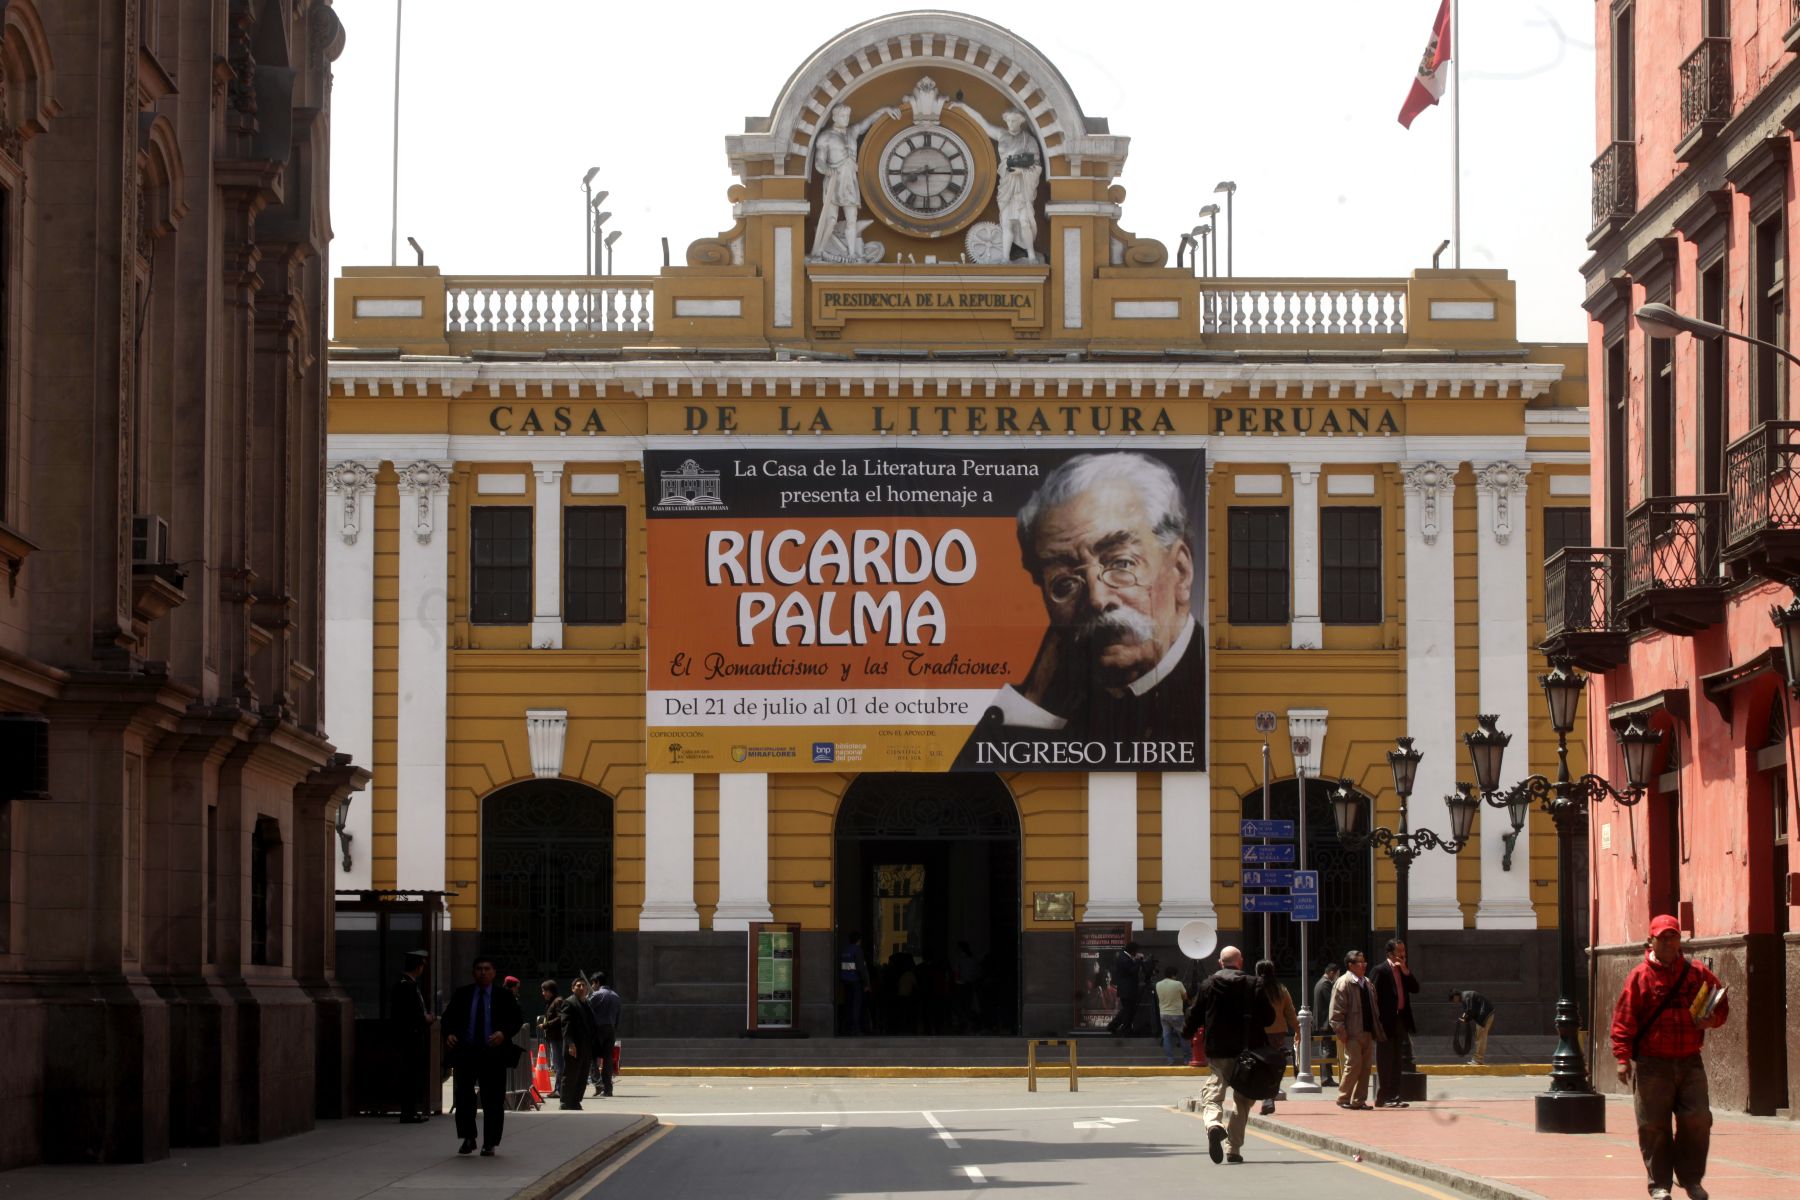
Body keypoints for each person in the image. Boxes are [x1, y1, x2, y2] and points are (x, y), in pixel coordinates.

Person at [957, 453, 1201, 768]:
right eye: (1065, 583)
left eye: (1121, 563)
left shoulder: (1215, 686)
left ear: (1180, 570)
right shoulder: (1054, 700)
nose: (1098, 600)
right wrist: (1035, 702)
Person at [1610, 914, 1730, 1200]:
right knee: (1654, 1126)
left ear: (1680, 940)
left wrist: (1711, 1021)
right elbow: (1624, 1019)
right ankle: (1660, 1184)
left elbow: (1722, 1004)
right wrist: (1622, 1057)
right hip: (1652, 1064)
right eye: (1663, 937)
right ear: (1651, 940)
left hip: (1690, 1061)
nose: (1669, 941)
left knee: (1698, 1119)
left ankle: (1691, 1180)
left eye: (1673, 936)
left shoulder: (1697, 972)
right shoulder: (1639, 977)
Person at [1181, 946, 1275, 1165]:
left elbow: (1194, 1014)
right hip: (1248, 1050)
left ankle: (1214, 1124)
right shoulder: (1254, 984)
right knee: (1243, 1100)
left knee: (1214, 1091)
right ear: (1240, 962)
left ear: (1220, 963)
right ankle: (1233, 1148)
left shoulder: (1209, 984)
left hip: (1218, 1049)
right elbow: (1269, 1018)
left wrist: (1186, 1033)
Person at [440, 956, 523, 1156]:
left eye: (487, 969)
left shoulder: (504, 996)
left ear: (494, 973)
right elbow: (448, 1019)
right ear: (473, 972)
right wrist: (449, 1033)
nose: (483, 972)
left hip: (493, 1053)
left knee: (493, 1099)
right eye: (479, 969)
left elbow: (516, 1020)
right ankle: (468, 1138)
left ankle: (490, 1142)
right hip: (467, 1051)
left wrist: (503, 1033)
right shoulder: (463, 994)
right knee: (463, 1097)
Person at [948, 101, 1042, 263]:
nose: (1011, 124)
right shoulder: (1001, 135)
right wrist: (963, 106)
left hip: (1021, 185)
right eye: (1009, 121)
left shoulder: (1029, 140)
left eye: (1015, 121)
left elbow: (1036, 165)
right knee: (1006, 222)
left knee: (1024, 221)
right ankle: (1005, 258)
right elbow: (983, 123)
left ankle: (1032, 255)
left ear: (1021, 121)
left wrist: (1022, 171)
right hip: (1006, 184)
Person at [810, 103, 901, 260]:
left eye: (847, 116)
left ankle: (852, 254)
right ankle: (819, 251)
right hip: (834, 180)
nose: (846, 119)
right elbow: (819, 161)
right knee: (831, 220)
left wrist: (884, 109)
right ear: (834, 117)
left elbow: (868, 121)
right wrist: (826, 169)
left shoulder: (852, 132)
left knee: (852, 219)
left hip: (850, 181)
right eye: (842, 116)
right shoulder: (826, 137)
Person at [1329, 949, 1382, 1110]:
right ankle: (1343, 1098)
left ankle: (1360, 1100)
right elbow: (1336, 1012)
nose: (1364, 965)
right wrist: (1342, 1032)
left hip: (1367, 1031)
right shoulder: (1343, 982)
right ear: (1351, 965)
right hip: (1352, 1033)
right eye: (1360, 962)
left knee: (1366, 1067)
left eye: (1364, 962)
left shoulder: (1366, 982)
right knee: (1353, 1065)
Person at [1370, 938, 1418, 1107]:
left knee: (1398, 1059)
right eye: (1400, 951)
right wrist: (1375, 1022)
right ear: (1390, 953)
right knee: (1385, 1060)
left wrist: (1405, 970)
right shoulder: (1380, 971)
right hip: (1385, 1022)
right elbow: (1372, 997)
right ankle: (1383, 1096)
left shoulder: (1402, 970)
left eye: (1404, 950)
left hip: (1401, 1020)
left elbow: (1415, 988)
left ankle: (1394, 1095)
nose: (1403, 954)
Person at [389, 949, 433, 1124]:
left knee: (413, 1075)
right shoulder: (406, 986)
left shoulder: (408, 984)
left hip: (412, 1036)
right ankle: (409, 1112)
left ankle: (411, 1110)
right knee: (410, 1076)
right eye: (423, 964)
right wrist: (425, 1019)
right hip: (411, 1037)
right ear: (419, 966)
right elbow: (408, 1015)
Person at [1256, 959, 1297, 1116]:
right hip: (1278, 1033)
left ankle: (1265, 1097)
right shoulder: (1281, 989)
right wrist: (1297, 1029)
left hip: (1258, 1032)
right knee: (1274, 1066)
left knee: (1259, 1065)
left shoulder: (1255, 987)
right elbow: (1290, 1012)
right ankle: (1269, 1095)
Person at [558, 977, 596, 1110]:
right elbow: (565, 1025)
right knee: (571, 1075)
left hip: (586, 1046)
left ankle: (575, 1100)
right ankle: (565, 1101)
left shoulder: (586, 1003)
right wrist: (570, 1044)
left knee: (582, 1075)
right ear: (573, 988)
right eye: (578, 986)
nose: (581, 988)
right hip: (574, 1045)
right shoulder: (569, 1003)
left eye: (583, 986)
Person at [587, 971, 623, 1098]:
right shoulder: (616, 996)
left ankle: (598, 1083)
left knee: (592, 1057)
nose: (592, 986)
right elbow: (618, 1016)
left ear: (597, 982)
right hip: (611, 1029)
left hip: (598, 1029)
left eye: (593, 983)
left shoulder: (596, 995)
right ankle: (608, 1088)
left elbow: (586, 1008)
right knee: (607, 1059)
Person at [1448, 987, 1496, 1066]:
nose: (1454, 1002)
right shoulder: (1465, 996)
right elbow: (1466, 1011)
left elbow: (1470, 1010)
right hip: (1485, 1014)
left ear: (1455, 996)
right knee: (1479, 1036)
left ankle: (1478, 1060)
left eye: (1453, 1000)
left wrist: (1466, 1019)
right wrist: (1463, 1017)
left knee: (1480, 1037)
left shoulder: (1465, 996)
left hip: (1485, 1015)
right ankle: (1478, 1059)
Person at [1153, 964, 1189, 1066]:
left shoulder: (1158, 984)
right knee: (1184, 1037)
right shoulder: (1178, 984)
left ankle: (1170, 1060)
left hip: (1163, 1014)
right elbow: (1185, 997)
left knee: (1167, 1037)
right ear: (1174, 975)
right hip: (1176, 1014)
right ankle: (1187, 1059)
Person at [1312, 962, 1341, 1086]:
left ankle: (1326, 1077)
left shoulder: (1321, 983)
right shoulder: (1325, 984)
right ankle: (1326, 1078)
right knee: (1327, 1050)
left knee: (1326, 1049)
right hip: (1325, 1024)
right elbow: (1332, 1002)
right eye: (1337, 975)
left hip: (1323, 1023)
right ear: (1331, 973)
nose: (1337, 978)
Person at [1106, 941, 1143, 1036]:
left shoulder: (1125, 956)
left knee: (1127, 1010)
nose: (1137, 953)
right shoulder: (1123, 958)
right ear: (1133, 951)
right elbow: (1131, 971)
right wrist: (1138, 960)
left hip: (1127, 989)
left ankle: (1121, 1027)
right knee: (1127, 1010)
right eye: (1136, 951)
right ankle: (1118, 1027)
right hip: (1127, 990)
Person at [839, 931, 872, 1035]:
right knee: (856, 1004)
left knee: (848, 1003)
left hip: (845, 981)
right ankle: (855, 1027)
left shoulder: (845, 950)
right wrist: (866, 984)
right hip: (855, 981)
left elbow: (842, 966)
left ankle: (847, 1027)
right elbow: (860, 968)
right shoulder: (857, 950)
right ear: (859, 940)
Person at [537, 980, 566, 1090]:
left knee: (559, 1064)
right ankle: (559, 1088)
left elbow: (560, 1017)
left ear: (550, 991)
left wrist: (546, 1025)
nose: (543, 993)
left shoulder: (558, 1001)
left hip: (558, 1037)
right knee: (557, 1064)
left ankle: (559, 1089)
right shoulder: (552, 1002)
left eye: (544, 991)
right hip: (553, 1038)